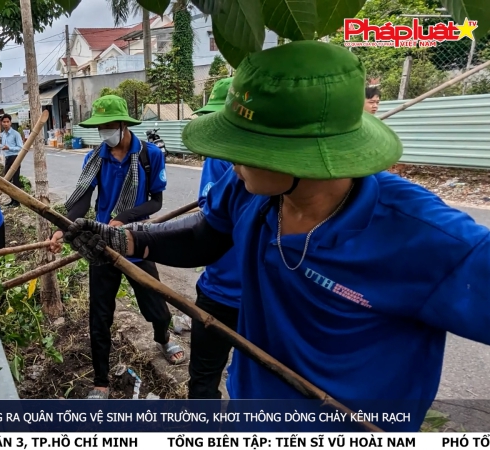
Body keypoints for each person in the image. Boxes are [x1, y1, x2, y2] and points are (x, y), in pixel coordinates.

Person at [60, 41, 490, 431]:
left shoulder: (428, 240)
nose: (226, 158)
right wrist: (128, 240)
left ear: (301, 156)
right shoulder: (249, 190)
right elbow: (208, 235)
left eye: (244, 147)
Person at [48, 95, 184, 400]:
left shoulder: (149, 156)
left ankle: (163, 337)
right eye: (100, 127)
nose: (104, 133)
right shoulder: (96, 157)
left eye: (109, 126)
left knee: (156, 305)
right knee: (100, 315)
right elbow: (83, 198)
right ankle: (100, 380)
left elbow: (156, 201)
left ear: (124, 125)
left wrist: (121, 219)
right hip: (102, 243)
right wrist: (63, 228)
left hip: (137, 240)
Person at [128, 77, 240, 399]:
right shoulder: (227, 166)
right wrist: (126, 238)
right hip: (218, 289)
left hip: (262, 300)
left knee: (249, 381)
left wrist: (129, 231)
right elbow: (203, 234)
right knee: (203, 381)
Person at [0, 114, 23, 207]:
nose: (5, 124)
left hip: (15, 158)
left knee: (15, 180)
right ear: (1, 123)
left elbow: (20, 147)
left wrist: (9, 148)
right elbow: (4, 147)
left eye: (7, 122)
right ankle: (13, 200)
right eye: (4, 122)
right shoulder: (3, 134)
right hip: (7, 158)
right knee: (7, 181)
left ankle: (17, 202)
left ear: (10, 122)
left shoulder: (15, 134)